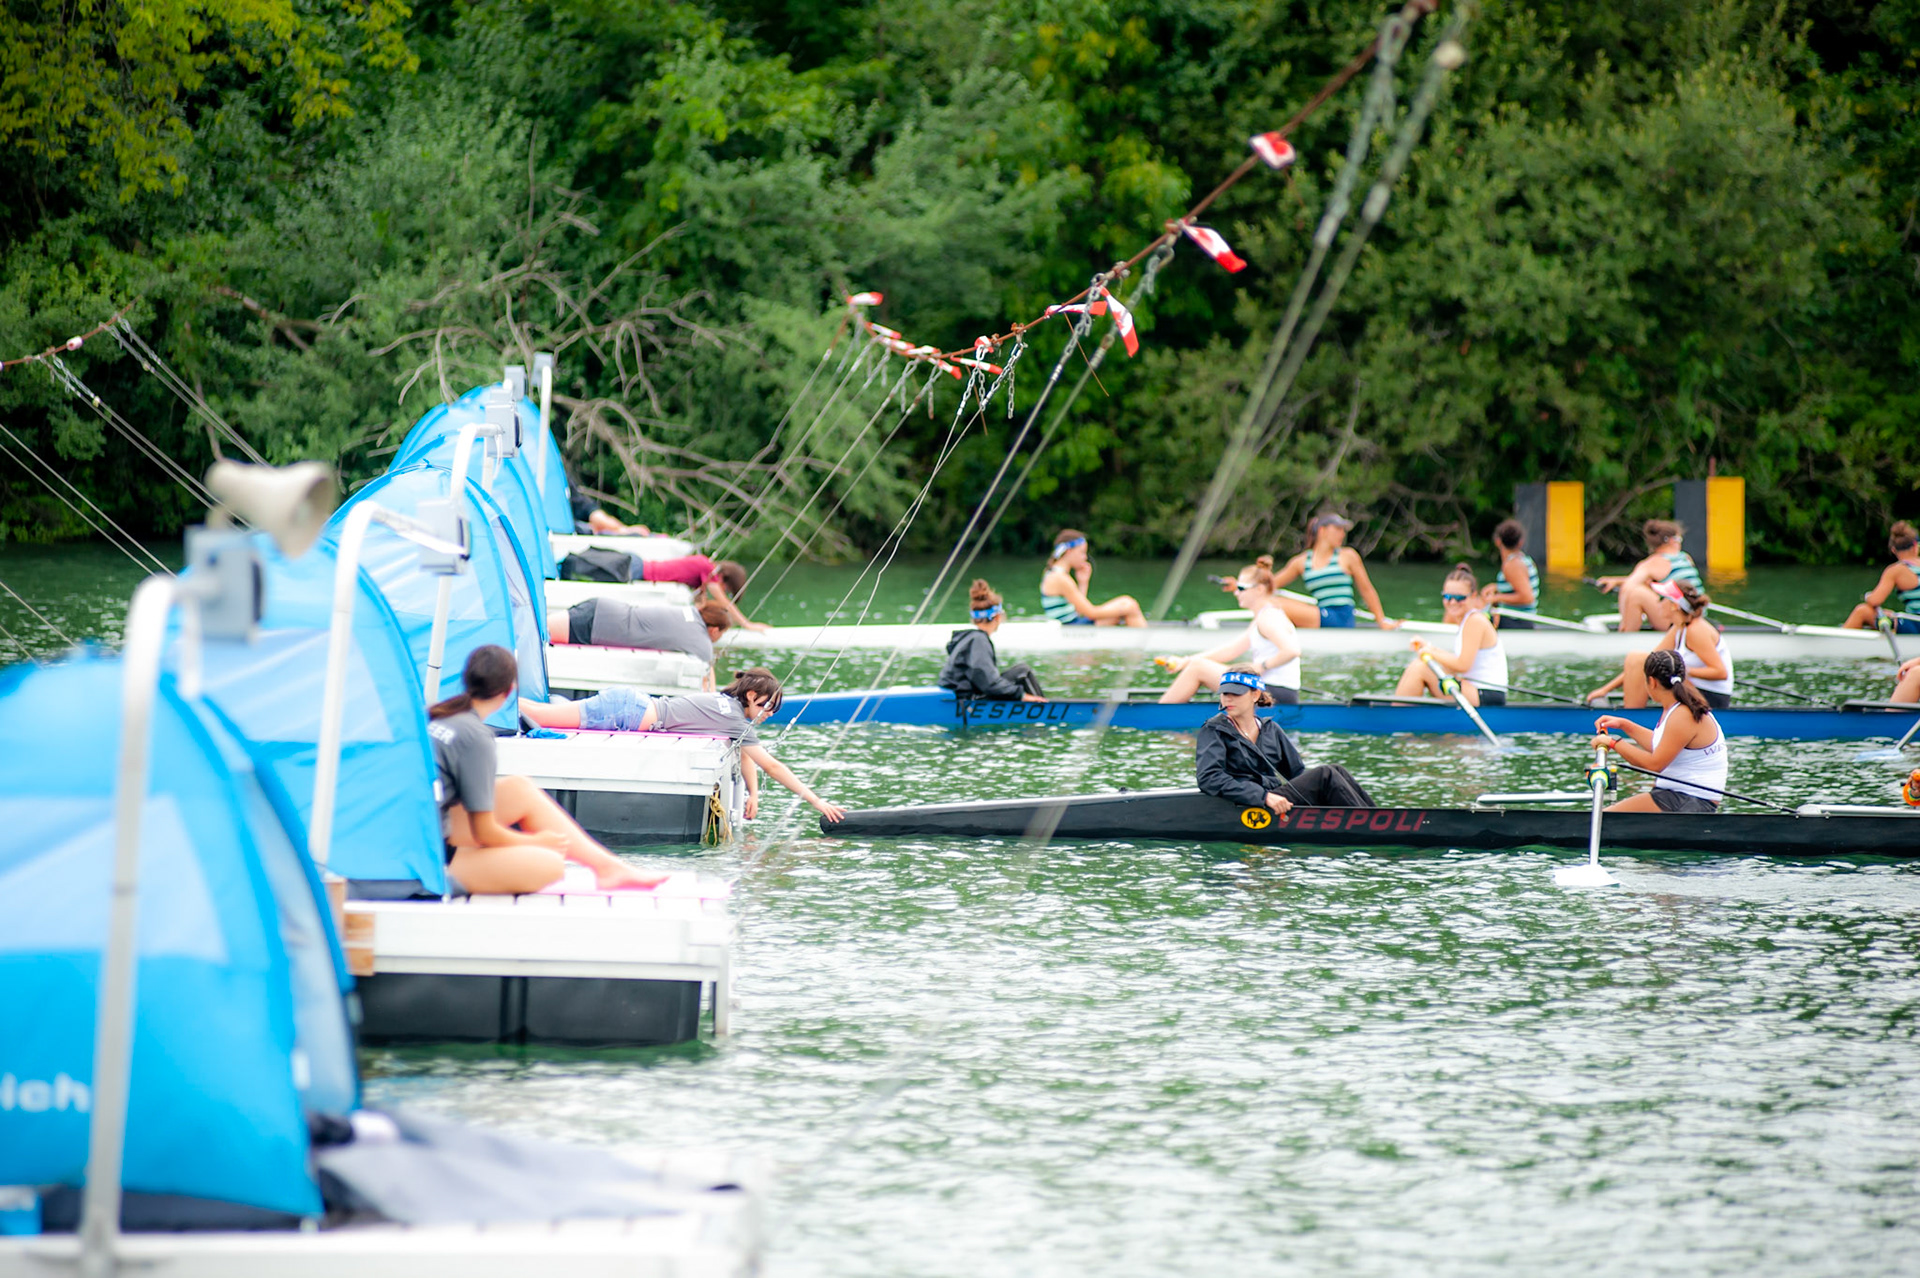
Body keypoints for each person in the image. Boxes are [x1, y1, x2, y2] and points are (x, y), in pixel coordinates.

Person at [430, 645, 665, 894]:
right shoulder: (475, 737)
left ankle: (609, 867)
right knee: (550, 864)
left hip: (425, 826)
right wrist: (536, 841)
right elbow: (484, 831)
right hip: (427, 854)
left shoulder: (440, 716)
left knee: (520, 788)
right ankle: (607, 868)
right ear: (510, 691)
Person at [521, 668, 846, 824]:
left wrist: (754, 793)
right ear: (751, 696)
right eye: (768, 707)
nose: (769, 714)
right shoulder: (735, 719)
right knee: (539, 715)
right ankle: (494, 697)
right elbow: (771, 765)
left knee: (540, 713)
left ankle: (499, 697)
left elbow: (746, 753)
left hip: (631, 706)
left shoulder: (730, 708)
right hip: (626, 713)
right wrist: (816, 801)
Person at [1196, 667, 1375, 813]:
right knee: (1325, 774)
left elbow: (1297, 773)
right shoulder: (1214, 730)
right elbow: (1209, 778)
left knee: (1337, 771)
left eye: (1236, 694)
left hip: (1275, 799)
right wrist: (1263, 797)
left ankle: (1378, 817)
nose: (1228, 698)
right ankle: (1368, 824)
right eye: (1224, 693)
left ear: (1255, 695)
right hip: (1245, 803)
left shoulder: (1271, 729)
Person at [1590, 649, 1728, 813]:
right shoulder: (1677, 707)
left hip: (1691, 801)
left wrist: (1613, 743)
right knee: (1606, 815)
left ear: (1652, 682)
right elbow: (1662, 746)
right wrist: (1625, 725)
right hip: (1679, 796)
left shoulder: (1682, 715)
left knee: (1603, 817)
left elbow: (1654, 765)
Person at [1158, 556, 1302, 704]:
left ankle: (1159, 712)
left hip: (1275, 692)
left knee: (1197, 668)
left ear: (1259, 589)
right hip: (1269, 689)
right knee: (1197, 665)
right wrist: (1186, 661)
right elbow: (1231, 650)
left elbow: (1292, 650)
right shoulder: (1263, 616)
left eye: (1241, 588)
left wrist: (1261, 666)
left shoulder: (1269, 617)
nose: (1236, 593)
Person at [1585, 578, 1733, 708]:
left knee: (1641, 659)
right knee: (1637, 659)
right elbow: (1646, 663)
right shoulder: (1679, 628)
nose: (1658, 602)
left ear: (1674, 605)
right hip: (1692, 689)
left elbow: (1720, 672)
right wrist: (1605, 690)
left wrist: (1682, 670)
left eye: (1663, 598)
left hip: (1712, 699)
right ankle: (1632, 714)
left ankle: (1633, 719)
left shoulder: (1696, 630)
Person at [1393, 564, 1508, 706]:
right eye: (1448, 597)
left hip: (1487, 694)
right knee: (1420, 665)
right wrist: (1429, 648)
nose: (1452, 602)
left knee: (1420, 668)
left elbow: (1463, 665)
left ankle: (1397, 714)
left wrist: (1431, 652)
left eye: (1459, 598)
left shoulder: (1475, 621)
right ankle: (1401, 711)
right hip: (1473, 689)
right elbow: (1457, 664)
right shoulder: (1466, 621)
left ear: (1473, 596)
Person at [1270, 511, 1399, 630]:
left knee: (1277, 604)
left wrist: (1381, 621)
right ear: (1322, 531)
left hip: (1341, 617)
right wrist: (1263, 572)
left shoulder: (1348, 556)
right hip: (1323, 614)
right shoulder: (1301, 562)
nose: (1342, 534)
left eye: (1343, 530)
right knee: (1271, 602)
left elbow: (1367, 590)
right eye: (1338, 529)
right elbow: (1269, 585)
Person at [939, 580, 1045, 701]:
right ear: (997, 617)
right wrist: (1022, 695)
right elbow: (990, 684)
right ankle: (1044, 706)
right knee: (1023, 672)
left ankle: (1038, 704)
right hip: (967, 700)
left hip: (964, 695)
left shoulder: (969, 639)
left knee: (1017, 675)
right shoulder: (979, 641)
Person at [1592, 519, 1703, 633]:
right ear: (1672, 540)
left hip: (1676, 620)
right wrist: (1616, 582)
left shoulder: (1652, 563)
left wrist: (1623, 621)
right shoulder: (1686, 558)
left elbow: (1628, 587)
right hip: (1698, 616)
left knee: (1636, 594)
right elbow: (1656, 582)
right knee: (1643, 588)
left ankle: (1626, 631)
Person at [551, 598, 732, 667]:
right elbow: (707, 669)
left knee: (538, 629)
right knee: (537, 633)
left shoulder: (689, 611)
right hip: (598, 626)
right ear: (714, 630)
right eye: (721, 634)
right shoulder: (701, 641)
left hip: (601, 607)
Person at [1039, 530, 1146, 627]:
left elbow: (1078, 611)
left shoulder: (1052, 572)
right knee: (1129, 605)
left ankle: (1141, 638)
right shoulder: (1060, 578)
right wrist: (1126, 607)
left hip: (1072, 625)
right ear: (1069, 552)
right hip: (1070, 628)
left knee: (1125, 608)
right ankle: (1145, 639)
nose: (1085, 557)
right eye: (1082, 552)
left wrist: (1083, 582)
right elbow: (1090, 613)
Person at [1842, 521, 1920, 632]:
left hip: (1916, 623)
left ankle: (1836, 640)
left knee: (1862, 611)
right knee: (1888, 616)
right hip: (1913, 620)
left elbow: (1875, 601)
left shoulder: (1896, 570)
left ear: (1893, 550)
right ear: (1915, 546)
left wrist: (1868, 597)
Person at [1483, 518, 1538, 629]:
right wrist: (1497, 587)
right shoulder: (1524, 560)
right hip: (1520, 620)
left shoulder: (1512, 565)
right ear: (1520, 542)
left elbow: (1527, 597)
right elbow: (1518, 587)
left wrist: (1496, 598)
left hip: (1516, 621)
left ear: (1498, 541)